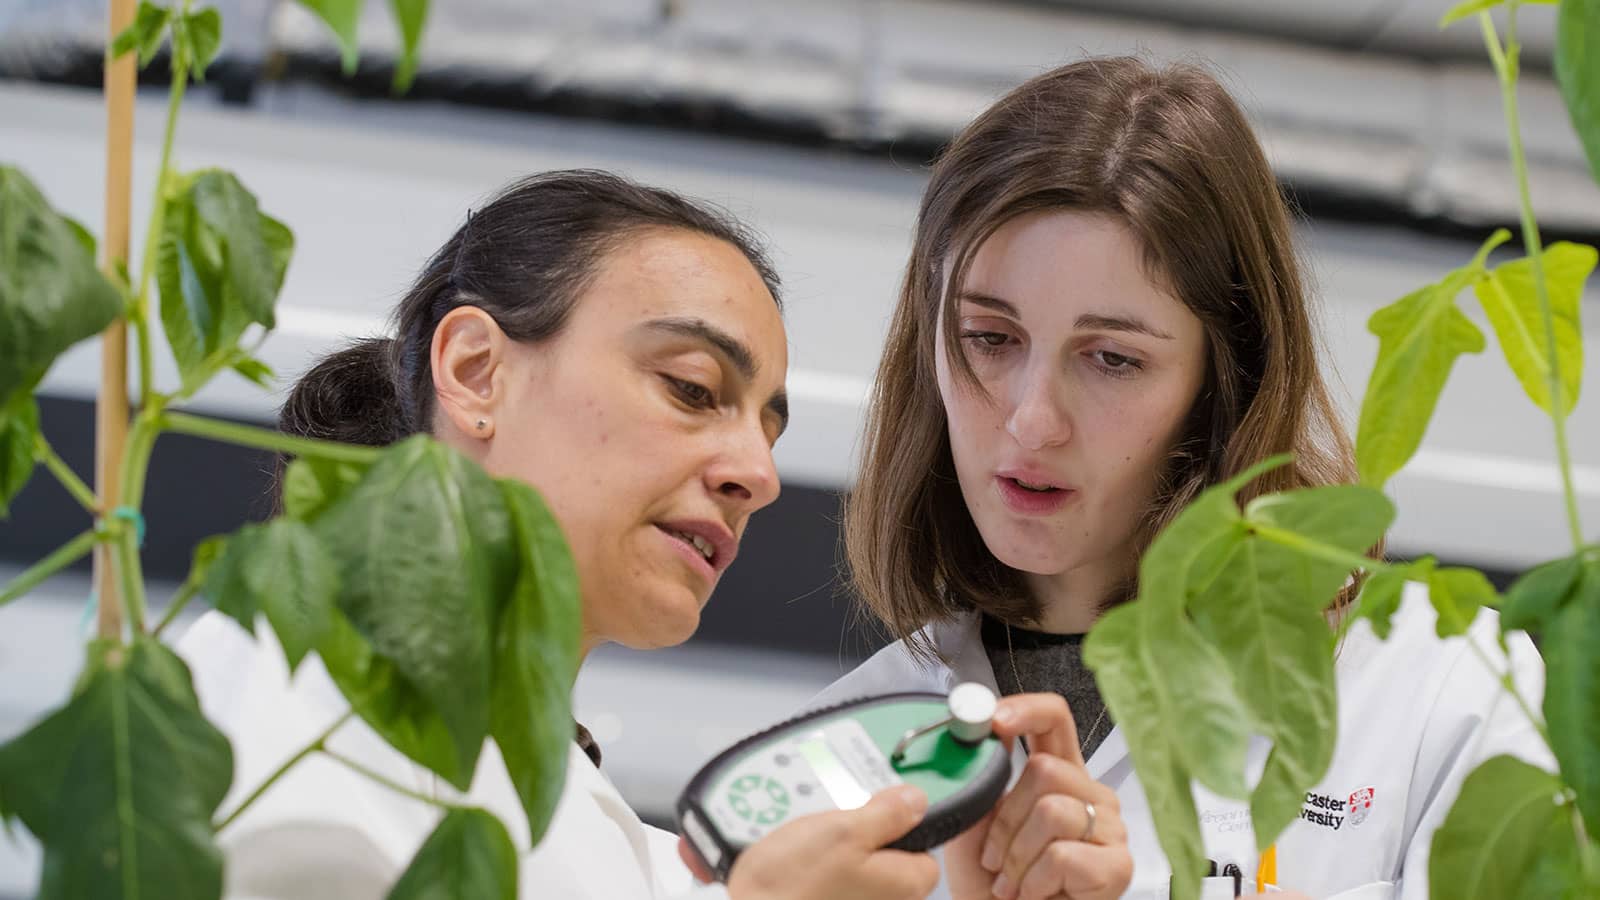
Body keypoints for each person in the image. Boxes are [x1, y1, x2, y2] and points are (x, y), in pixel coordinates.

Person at [178, 170, 1082, 900]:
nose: (757, 477)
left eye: (769, 430)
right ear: (476, 370)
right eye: (692, 389)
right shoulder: (278, 710)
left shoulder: (628, 852)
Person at [808, 58, 1548, 900]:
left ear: (1226, 376)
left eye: (1112, 359)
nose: (1031, 420)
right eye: (989, 338)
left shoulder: (1433, 687)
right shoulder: (846, 755)